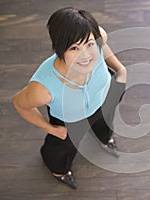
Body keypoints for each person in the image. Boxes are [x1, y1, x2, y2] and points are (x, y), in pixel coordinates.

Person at [12, 7, 127, 189]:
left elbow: (102, 45)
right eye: (74, 48)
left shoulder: (99, 37)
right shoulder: (43, 87)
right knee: (62, 150)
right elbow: (19, 104)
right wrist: (51, 129)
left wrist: (120, 69)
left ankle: (105, 139)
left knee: (105, 124)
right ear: (60, 48)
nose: (86, 55)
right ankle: (60, 170)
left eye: (89, 44)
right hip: (70, 121)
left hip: (104, 98)